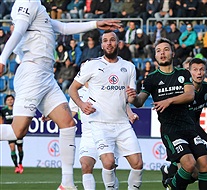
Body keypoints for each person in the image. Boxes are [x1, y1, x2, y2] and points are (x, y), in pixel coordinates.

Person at [0, 1, 120, 189]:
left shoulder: (39, 9)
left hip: (46, 75)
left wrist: (95, 24)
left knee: (68, 124)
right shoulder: (27, 1)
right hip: (32, 71)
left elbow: (63, 27)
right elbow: (18, 30)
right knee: (17, 131)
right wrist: (2, 58)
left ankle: (67, 184)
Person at [126, 38, 207, 190]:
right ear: (155, 56)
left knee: (204, 165)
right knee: (189, 164)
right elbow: (140, 101)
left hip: (189, 127)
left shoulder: (183, 73)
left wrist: (169, 101)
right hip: (171, 129)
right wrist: (132, 97)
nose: (162, 53)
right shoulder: (152, 78)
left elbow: (189, 95)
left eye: (166, 50)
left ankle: (171, 181)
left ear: (172, 53)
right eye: (158, 51)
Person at [68, 31, 143, 190]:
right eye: (105, 41)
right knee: (108, 162)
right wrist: (81, 105)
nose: (109, 43)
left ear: (118, 43)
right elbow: (72, 89)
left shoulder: (128, 67)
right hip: (100, 124)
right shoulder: (92, 65)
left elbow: (131, 99)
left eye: (112, 40)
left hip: (122, 123)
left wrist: (132, 98)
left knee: (138, 163)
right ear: (101, 45)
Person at [160, 58, 207, 190]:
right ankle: (171, 180)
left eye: (201, 70)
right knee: (190, 169)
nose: (199, 73)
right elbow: (190, 121)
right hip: (176, 131)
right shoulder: (183, 93)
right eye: (195, 70)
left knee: (204, 165)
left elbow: (196, 117)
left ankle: (170, 175)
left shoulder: (205, 88)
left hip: (192, 130)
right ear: (189, 72)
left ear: (205, 72)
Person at [69, 82, 139, 190]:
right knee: (85, 165)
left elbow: (121, 102)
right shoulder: (77, 93)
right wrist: (55, 116)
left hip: (106, 131)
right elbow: (71, 112)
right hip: (88, 134)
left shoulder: (104, 86)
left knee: (110, 165)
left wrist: (130, 114)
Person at [0, 95, 24, 174]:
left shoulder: (17, 110)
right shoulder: (3, 110)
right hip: (9, 131)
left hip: (18, 131)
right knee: (12, 148)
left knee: (20, 148)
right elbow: (1, 121)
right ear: (5, 102)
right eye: (8, 100)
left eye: (11, 99)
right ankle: (16, 166)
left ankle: (20, 163)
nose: (10, 101)